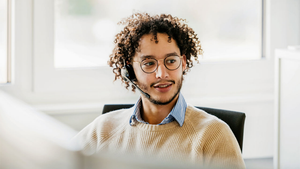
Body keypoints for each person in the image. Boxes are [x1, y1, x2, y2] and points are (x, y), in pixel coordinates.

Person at [75, 12, 245, 169]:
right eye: (149, 63)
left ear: (183, 63)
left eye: (171, 61)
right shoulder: (103, 130)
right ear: (130, 71)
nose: (162, 74)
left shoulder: (214, 135)